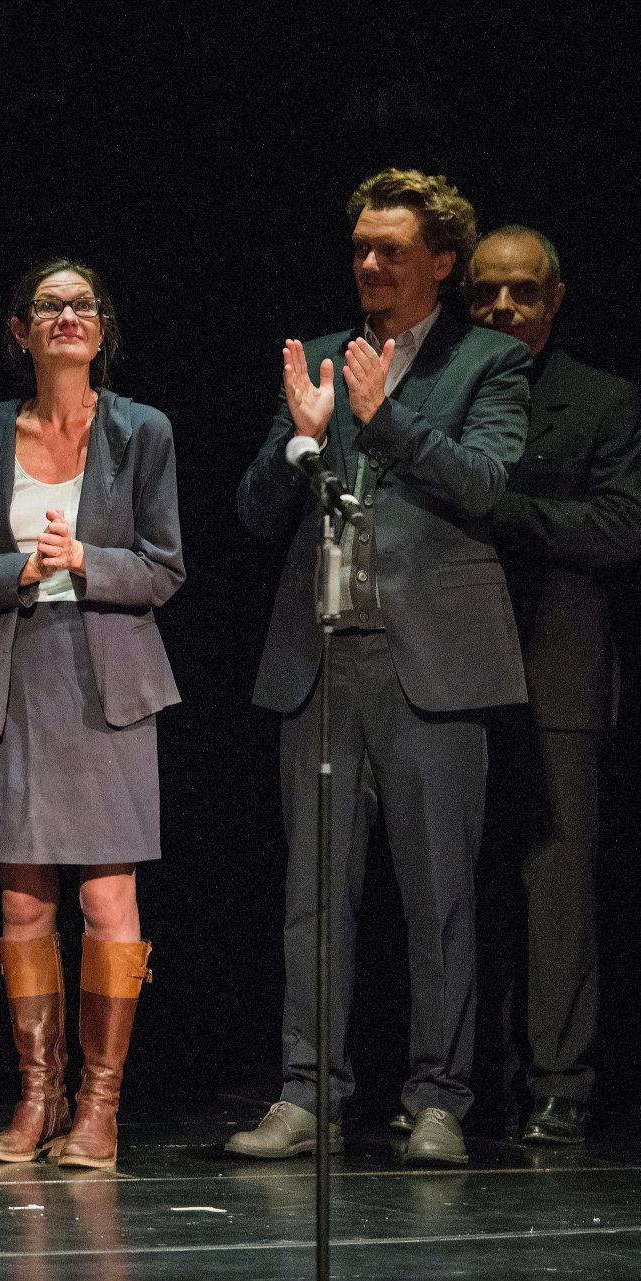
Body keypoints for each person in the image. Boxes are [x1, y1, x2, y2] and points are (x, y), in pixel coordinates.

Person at [229, 168, 530, 1167]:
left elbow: (485, 483)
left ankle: (436, 1098)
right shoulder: (317, 358)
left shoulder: (485, 360)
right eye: (358, 247)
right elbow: (251, 512)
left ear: (438, 261)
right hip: (319, 658)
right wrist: (299, 443)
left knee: (435, 891)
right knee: (313, 895)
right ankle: (306, 1092)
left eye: (389, 250)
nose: (366, 264)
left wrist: (387, 418)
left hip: (430, 665)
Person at [0, 259, 183, 1170]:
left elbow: (163, 567)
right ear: (20, 330)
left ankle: (99, 1110)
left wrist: (84, 559)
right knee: (22, 894)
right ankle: (37, 1097)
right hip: (13, 674)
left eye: (83, 306)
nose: (67, 317)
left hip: (108, 677)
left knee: (107, 892)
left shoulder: (141, 431)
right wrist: (24, 570)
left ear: (101, 329)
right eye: (49, 305)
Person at [468, 225, 641, 1144]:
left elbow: (619, 525)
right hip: (449, 665)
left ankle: (558, 1084)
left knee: (556, 888)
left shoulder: (601, 400)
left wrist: (502, 508)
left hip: (556, 669)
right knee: (453, 885)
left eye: (521, 292)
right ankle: (456, 1083)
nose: (502, 307)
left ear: (554, 298)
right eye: (486, 293)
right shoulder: (442, 385)